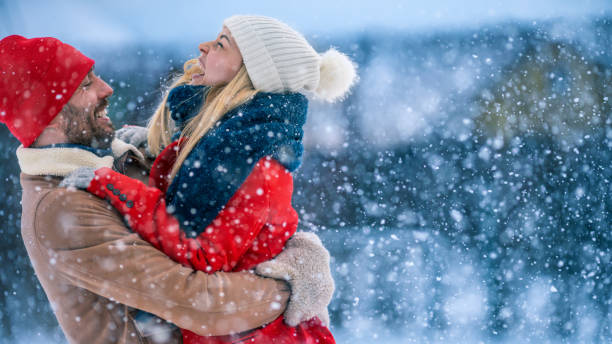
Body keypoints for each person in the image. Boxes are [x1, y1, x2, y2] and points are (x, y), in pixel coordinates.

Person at [0, 34, 335, 344]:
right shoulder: (61, 207)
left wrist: (290, 246)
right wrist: (289, 284)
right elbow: (203, 304)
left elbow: (230, 220)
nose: (106, 89)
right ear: (51, 112)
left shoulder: (120, 159)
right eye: (86, 84)